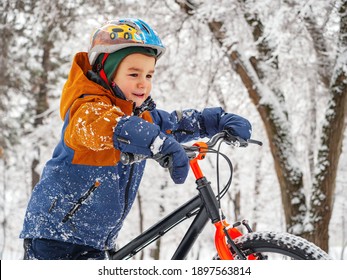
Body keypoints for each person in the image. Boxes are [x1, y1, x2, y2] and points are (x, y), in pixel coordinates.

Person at [20, 18, 252, 260]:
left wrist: (214, 121)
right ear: (107, 73)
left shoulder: (140, 117)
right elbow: (108, 125)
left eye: (149, 75)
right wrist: (157, 143)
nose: (144, 83)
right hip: (55, 239)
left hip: (98, 242)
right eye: (134, 74)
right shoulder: (86, 110)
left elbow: (176, 123)